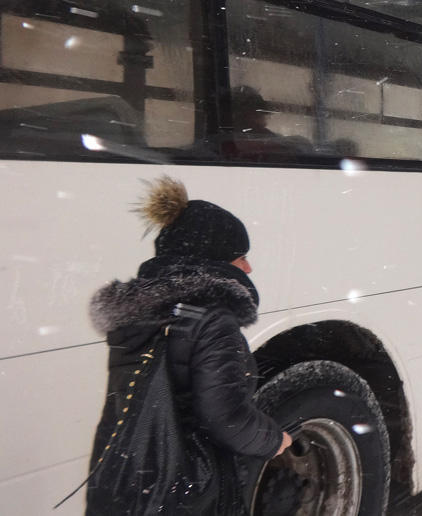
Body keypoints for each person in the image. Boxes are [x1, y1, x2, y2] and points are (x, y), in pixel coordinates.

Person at [88, 176, 291, 513]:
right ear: (211, 258)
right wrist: (275, 440)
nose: (248, 266)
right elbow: (226, 419)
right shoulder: (212, 319)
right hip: (184, 485)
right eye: (240, 256)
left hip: (126, 474)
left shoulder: (138, 314)